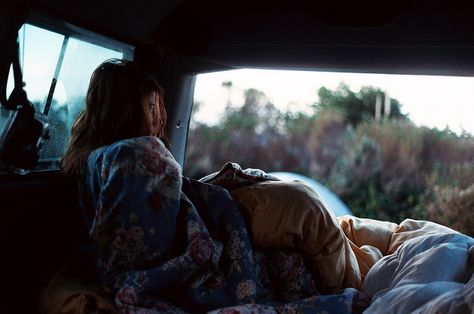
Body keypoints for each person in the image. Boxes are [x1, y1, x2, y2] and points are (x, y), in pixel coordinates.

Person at [61, 59, 370, 313]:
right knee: (297, 246)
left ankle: (359, 273)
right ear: (125, 110)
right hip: (197, 258)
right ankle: (356, 289)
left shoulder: (94, 160)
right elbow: (149, 247)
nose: (157, 120)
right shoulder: (133, 156)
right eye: (151, 107)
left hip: (216, 233)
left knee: (291, 257)